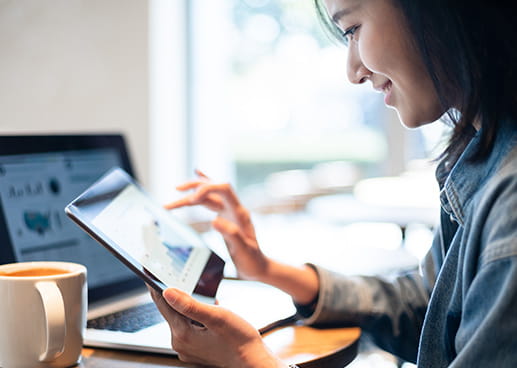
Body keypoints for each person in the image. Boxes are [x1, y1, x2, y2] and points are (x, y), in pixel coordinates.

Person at [149, 0, 517, 366]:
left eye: (353, 30)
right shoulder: (484, 154)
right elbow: (428, 308)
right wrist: (266, 270)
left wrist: (249, 361)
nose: (353, 71)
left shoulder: (509, 199)